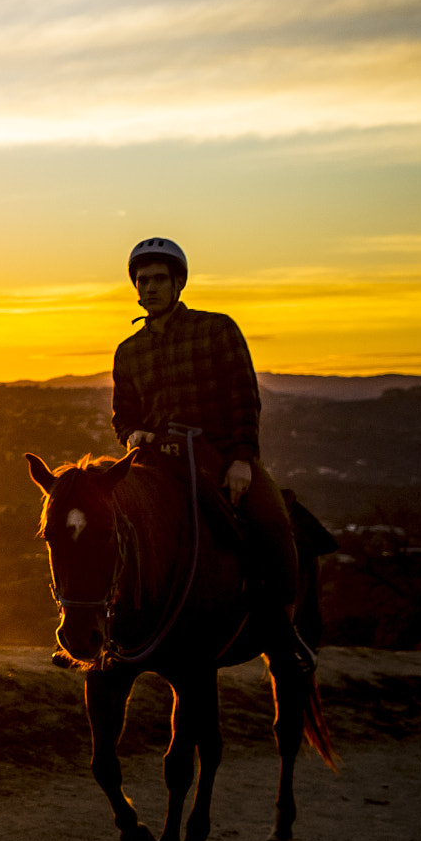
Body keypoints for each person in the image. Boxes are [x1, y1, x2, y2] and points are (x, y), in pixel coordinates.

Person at [112, 237, 313, 672]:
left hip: (220, 456)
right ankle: (108, 632)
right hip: (158, 463)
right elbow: (122, 418)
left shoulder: (217, 329)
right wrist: (132, 435)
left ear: (179, 283)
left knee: (274, 522)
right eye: (142, 281)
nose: (149, 288)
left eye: (159, 280)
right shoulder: (128, 352)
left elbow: (245, 398)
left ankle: (283, 631)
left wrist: (242, 460)